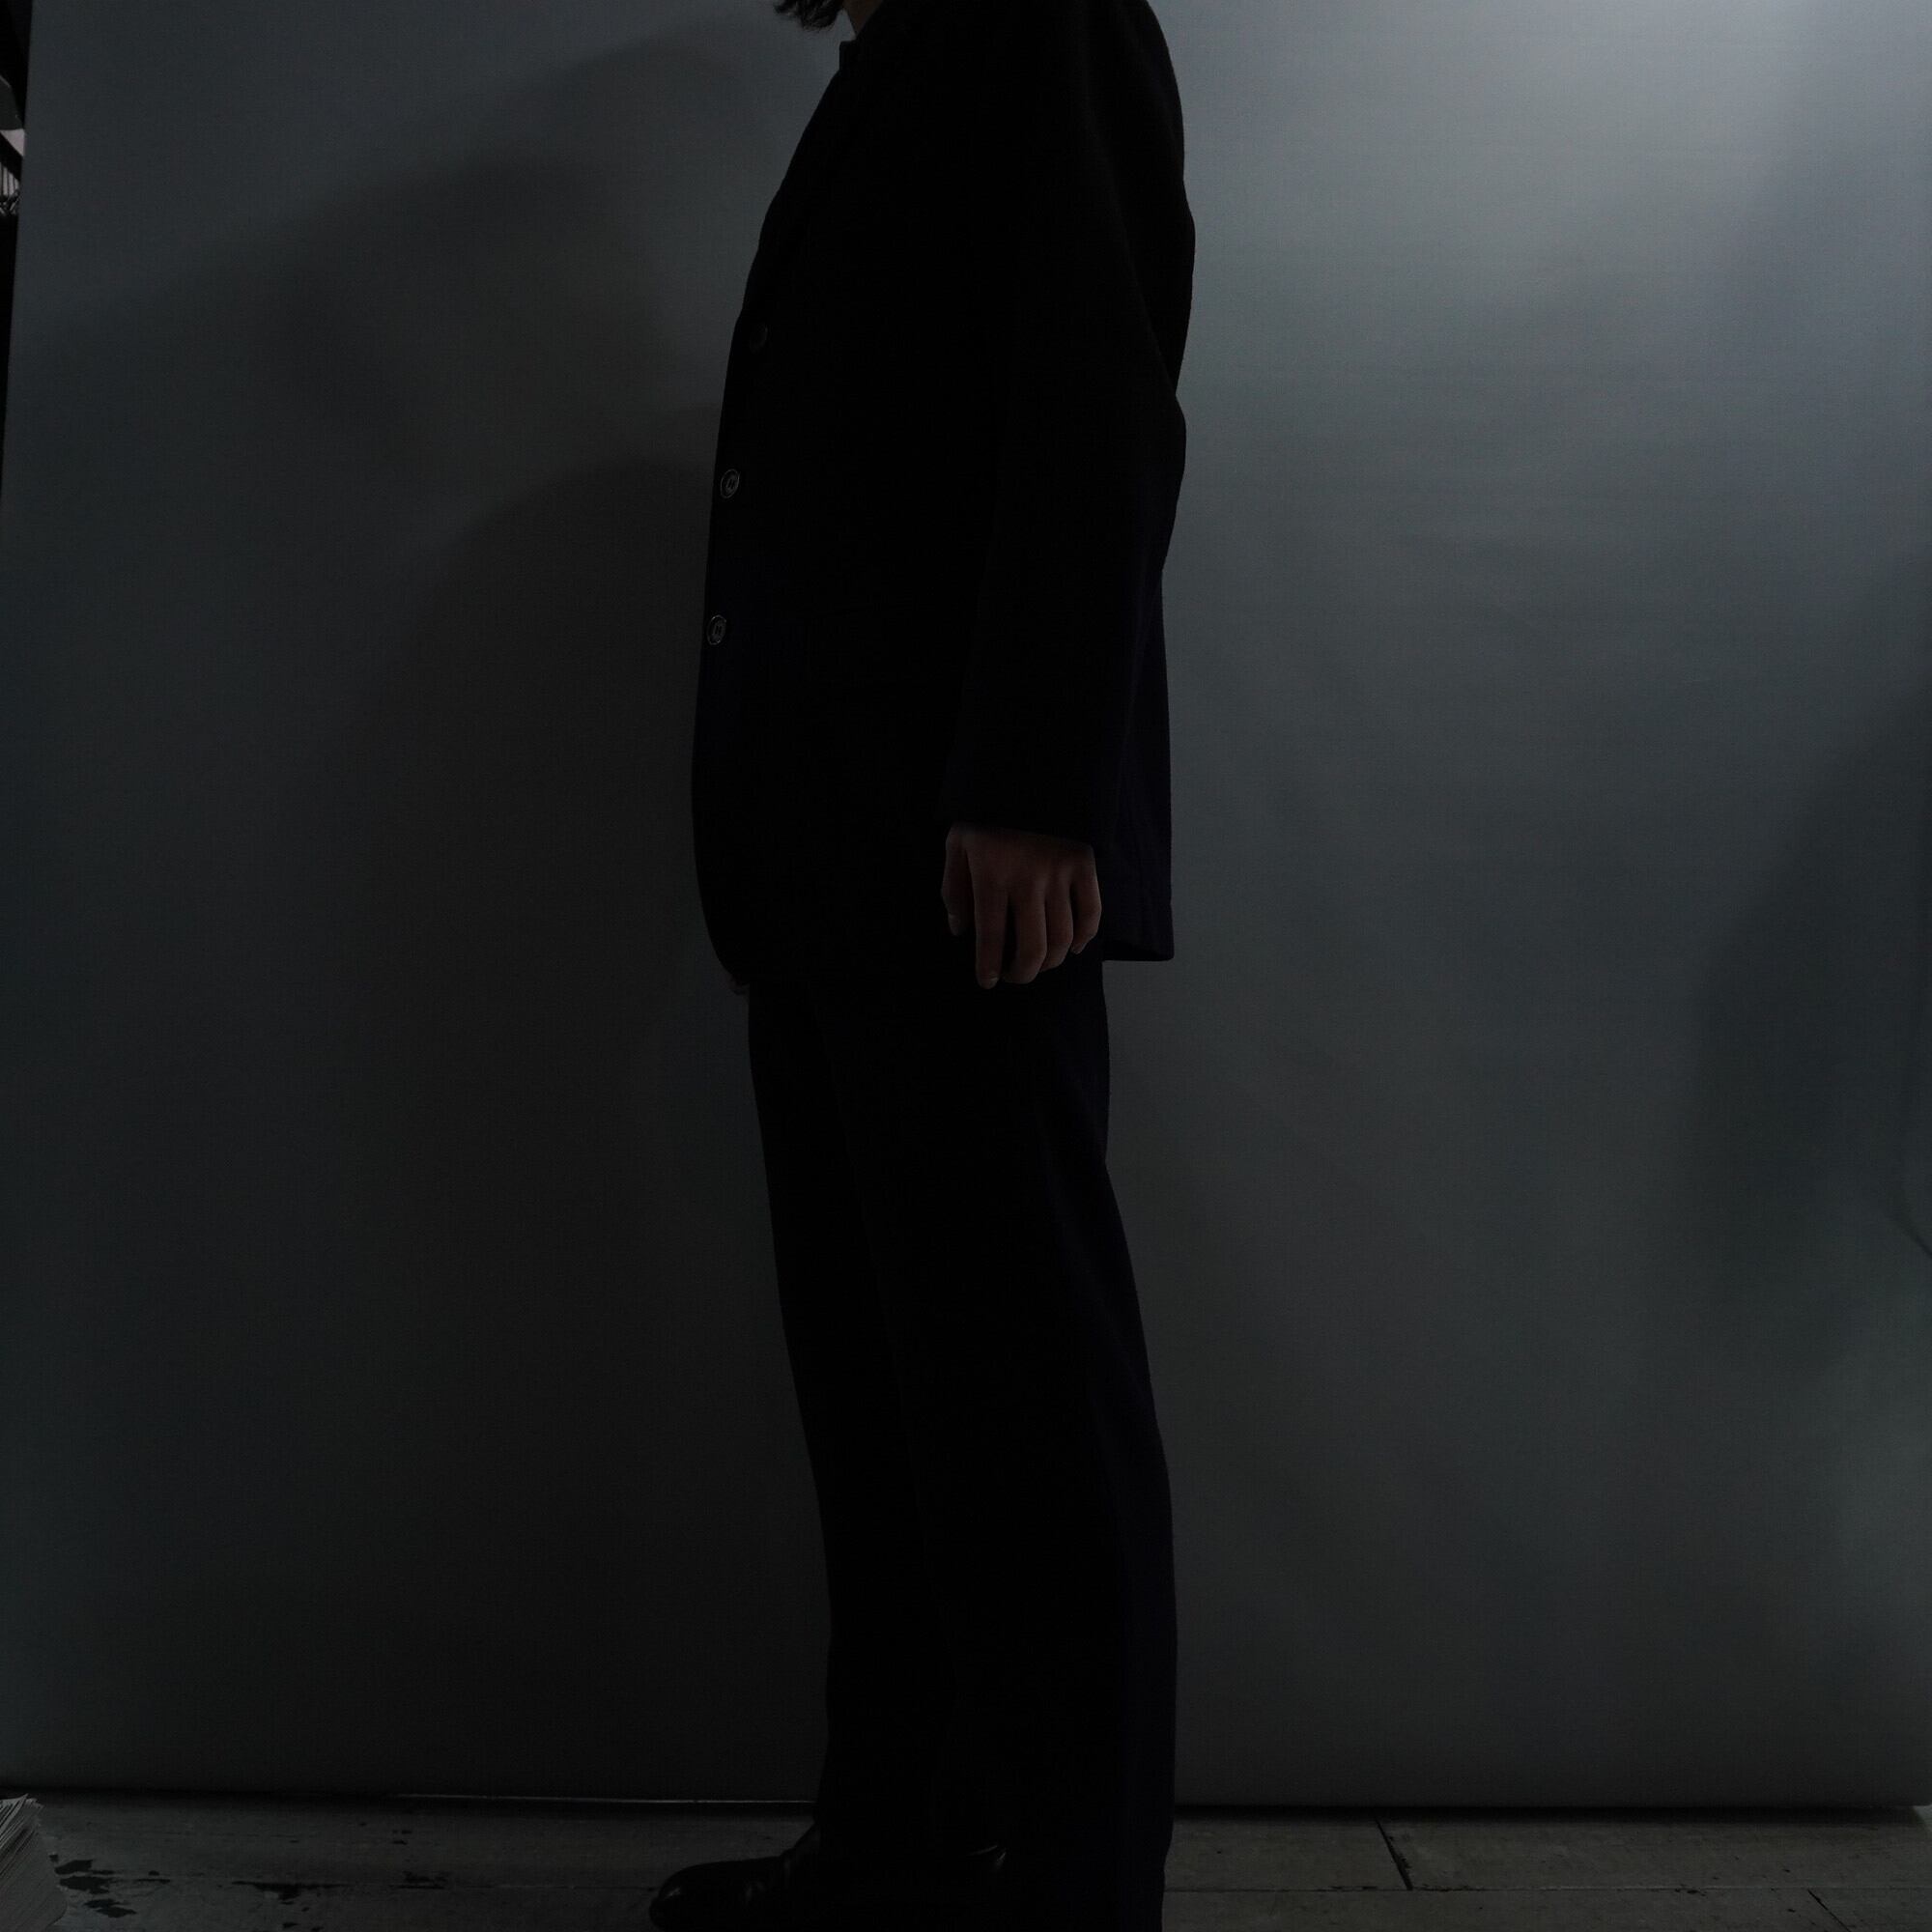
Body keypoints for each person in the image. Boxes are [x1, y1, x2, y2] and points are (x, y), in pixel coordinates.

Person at [662, 0, 1192, 1922]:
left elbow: (1097, 400)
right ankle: (899, 1841)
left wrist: (1037, 787)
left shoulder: (1043, 19)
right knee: (888, 1398)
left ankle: (1072, 1891)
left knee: (1018, 1399)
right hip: (839, 856)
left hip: (960, 852)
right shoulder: (918, 50)